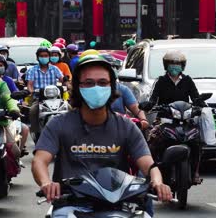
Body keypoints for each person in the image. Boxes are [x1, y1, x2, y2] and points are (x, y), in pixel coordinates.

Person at [31, 55, 172, 217]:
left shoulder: (126, 126)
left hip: (118, 205)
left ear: (112, 87)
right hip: (71, 204)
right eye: (89, 83)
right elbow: (40, 161)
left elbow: (149, 165)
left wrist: (158, 183)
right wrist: (46, 183)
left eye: (103, 83)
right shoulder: (58, 124)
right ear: (77, 87)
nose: (96, 88)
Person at [147, 49, 204, 184]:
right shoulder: (160, 81)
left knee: (197, 143)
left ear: (182, 66)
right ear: (166, 65)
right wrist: (148, 105)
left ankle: (195, 172)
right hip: (165, 119)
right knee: (153, 141)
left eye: (178, 63)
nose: (175, 66)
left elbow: (195, 97)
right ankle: (153, 172)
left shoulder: (187, 80)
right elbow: (153, 99)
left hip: (184, 119)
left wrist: (201, 104)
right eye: (172, 63)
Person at [98, 53, 149, 131]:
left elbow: (136, 108)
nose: (113, 69)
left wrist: (143, 120)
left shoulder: (122, 89)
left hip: (119, 129)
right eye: (109, 67)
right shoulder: (93, 90)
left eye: (114, 67)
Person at [0, 55, 31, 155]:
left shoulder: (7, 81)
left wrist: (17, 105)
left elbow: (11, 96)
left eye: (0, 65)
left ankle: (17, 155)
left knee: (23, 129)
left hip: (6, 114)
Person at [26, 47, 64, 135]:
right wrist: (31, 91)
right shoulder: (32, 70)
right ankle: (36, 132)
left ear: (49, 57)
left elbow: (63, 80)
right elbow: (30, 84)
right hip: (39, 99)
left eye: (46, 56)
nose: (44, 58)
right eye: (41, 56)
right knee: (32, 111)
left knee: (69, 107)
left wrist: (68, 84)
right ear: (37, 58)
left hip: (56, 99)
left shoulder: (54, 69)